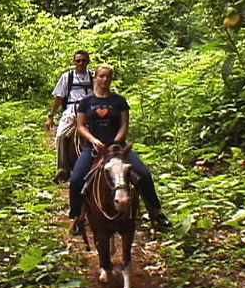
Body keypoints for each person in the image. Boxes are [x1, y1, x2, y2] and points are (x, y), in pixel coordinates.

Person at [69, 63, 171, 234]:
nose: (104, 79)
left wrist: (116, 141)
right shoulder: (86, 102)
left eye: (108, 76)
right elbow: (81, 126)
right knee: (76, 179)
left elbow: (124, 125)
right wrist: (93, 140)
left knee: (143, 174)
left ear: (111, 79)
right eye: (101, 76)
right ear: (95, 77)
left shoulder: (119, 101)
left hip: (118, 148)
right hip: (93, 148)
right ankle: (77, 217)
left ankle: (155, 211)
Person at [46, 50, 94, 183]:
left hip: (90, 110)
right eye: (78, 61)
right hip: (71, 111)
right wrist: (51, 115)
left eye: (84, 60)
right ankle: (62, 168)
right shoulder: (67, 77)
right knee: (61, 134)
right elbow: (59, 98)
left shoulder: (93, 76)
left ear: (88, 62)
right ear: (74, 62)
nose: (81, 63)